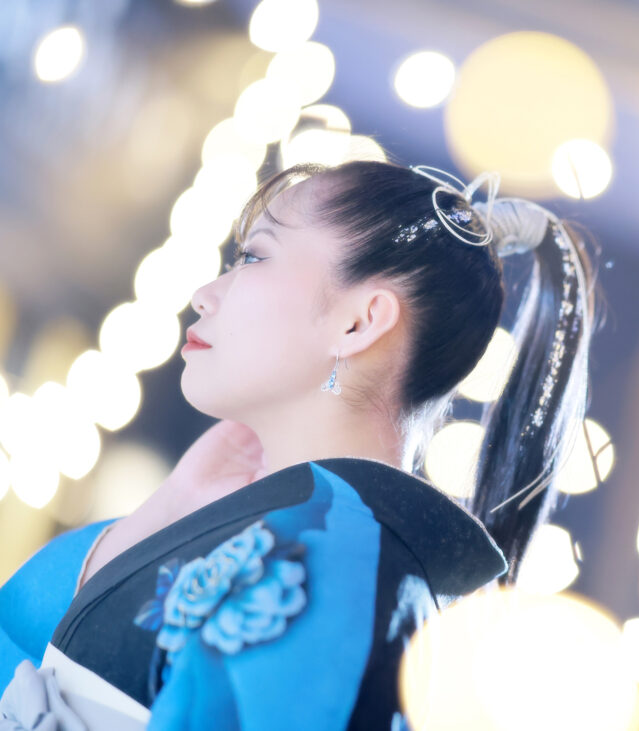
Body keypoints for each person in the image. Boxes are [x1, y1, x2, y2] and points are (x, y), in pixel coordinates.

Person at [0, 158, 600, 729]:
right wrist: (168, 510)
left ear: (359, 323)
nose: (205, 293)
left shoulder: (333, 573)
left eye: (253, 257)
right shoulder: (325, 548)